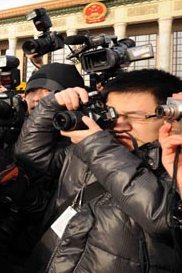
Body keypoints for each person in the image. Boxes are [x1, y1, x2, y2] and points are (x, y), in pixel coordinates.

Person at [21, 68, 182, 272]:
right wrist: (50, 105)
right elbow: (31, 154)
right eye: (112, 115)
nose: (120, 125)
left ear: (171, 116)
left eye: (136, 117)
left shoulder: (173, 164)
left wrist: (98, 145)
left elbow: (160, 218)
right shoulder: (89, 149)